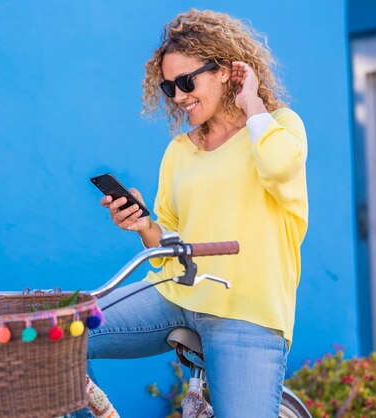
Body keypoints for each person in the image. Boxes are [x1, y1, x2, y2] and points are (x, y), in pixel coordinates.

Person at [69, 8, 308, 418]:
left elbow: (279, 167)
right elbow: (169, 244)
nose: (178, 96)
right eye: (168, 87)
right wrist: (143, 225)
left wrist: (250, 102)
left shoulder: (278, 127)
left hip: (246, 311)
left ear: (225, 71)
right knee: (64, 336)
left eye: (186, 82)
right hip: (173, 295)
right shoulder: (180, 150)